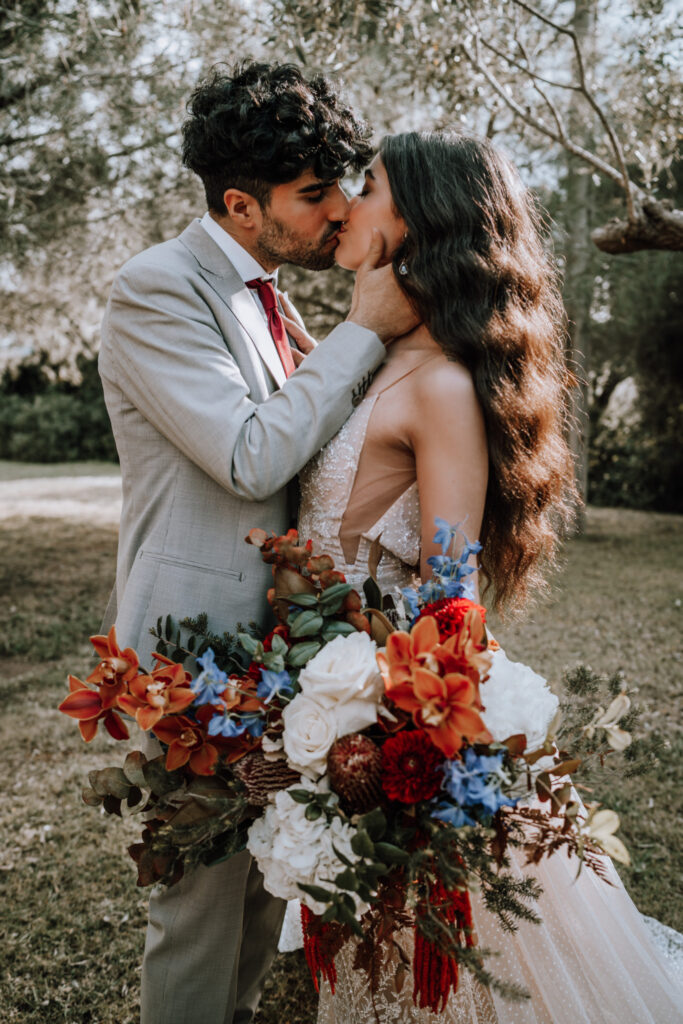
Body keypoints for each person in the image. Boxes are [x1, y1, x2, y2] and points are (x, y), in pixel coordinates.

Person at [294, 130, 683, 1023]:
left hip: (394, 711)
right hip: (334, 691)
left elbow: (450, 593)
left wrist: (399, 742)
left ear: (421, 218)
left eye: (370, 185)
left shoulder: (440, 387)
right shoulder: (378, 357)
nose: (347, 201)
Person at [98, 62, 416, 1024]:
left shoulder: (268, 297)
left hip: (284, 660)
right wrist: (362, 332)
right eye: (312, 196)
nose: (335, 214)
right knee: (196, 904)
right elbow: (248, 453)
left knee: (261, 883)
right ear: (240, 205)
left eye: (337, 189)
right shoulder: (157, 288)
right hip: (191, 658)